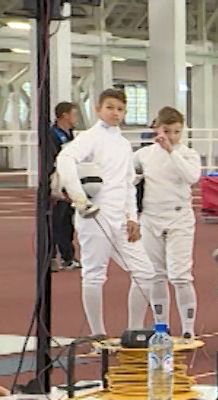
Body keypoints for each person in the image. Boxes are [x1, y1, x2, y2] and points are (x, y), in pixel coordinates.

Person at [55, 88, 158, 339]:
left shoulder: (124, 144)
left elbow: (128, 184)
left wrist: (133, 217)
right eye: (110, 107)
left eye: (120, 109)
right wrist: (79, 198)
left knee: (145, 272)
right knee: (94, 274)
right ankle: (97, 333)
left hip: (120, 219)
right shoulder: (89, 138)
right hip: (94, 216)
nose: (115, 113)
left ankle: (134, 331)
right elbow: (65, 159)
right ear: (99, 109)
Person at [128, 106, 202, 340]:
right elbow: (128, 177)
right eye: (167, 130)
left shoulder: (188, 154)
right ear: (157, 128)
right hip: (151, 217)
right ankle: (162, 326)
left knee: (180, 275)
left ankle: (188, 329)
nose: (171, 136)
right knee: (155, 274)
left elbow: (192, 177)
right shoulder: (144, 155)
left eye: (176, 132)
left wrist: (171, 151)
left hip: (179, 218)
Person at [48, 101, 81, 271]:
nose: (76, 118)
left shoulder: (71, 135)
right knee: (55, 221)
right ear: (65, 115)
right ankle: (51, 258)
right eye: (74, 114)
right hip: (57, 184)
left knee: (67, 221)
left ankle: (68, 257)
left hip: (70, 182)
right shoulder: (52, 134)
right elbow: (51, 160)